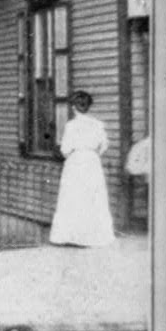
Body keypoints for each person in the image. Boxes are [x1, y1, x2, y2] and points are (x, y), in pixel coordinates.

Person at [49, 91, 115, 247]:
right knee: (93, 197)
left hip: (76, 161)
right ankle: (93, 237)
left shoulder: (71, 126)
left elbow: (65, 149)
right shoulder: (98, 124)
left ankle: (71, 236)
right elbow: (104, 145)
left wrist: (73, 154)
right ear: (89, 107)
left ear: (73, 107)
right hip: (92, 162)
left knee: (74, 197)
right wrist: (93, 154)